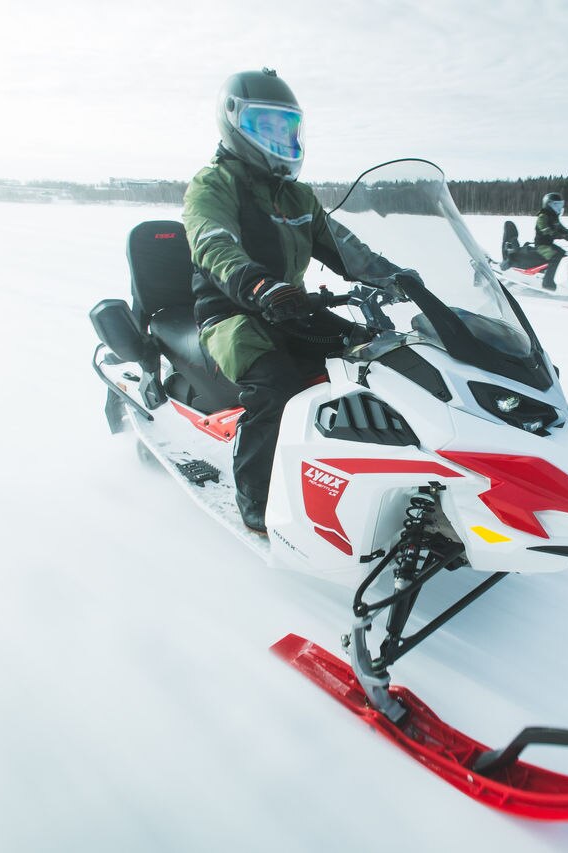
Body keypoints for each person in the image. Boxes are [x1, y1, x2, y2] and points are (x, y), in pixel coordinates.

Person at [183, 68, 403, 532]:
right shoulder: (215, 183)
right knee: (278, 388)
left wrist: (396, 276)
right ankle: (257, 501)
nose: (280, 138)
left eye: (288, 127)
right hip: (233, 314)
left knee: (378, 358)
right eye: (268, 126)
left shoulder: (298, 195)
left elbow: (345, 248)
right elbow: (212, 242)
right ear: (235, 123)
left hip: (288, 308)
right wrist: (257, 284)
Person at [533, 192, 568, 291]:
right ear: (548, 204)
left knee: (565, 256)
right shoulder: (543, 216)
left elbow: (563, 229)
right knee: (556, 257)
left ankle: (563, 282)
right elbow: (545, 230)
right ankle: (547, 283)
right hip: (541, 245)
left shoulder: (554, 217)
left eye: (560, 205)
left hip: (549, 244)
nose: (559, 207)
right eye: (556, 205)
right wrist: (560, 235)